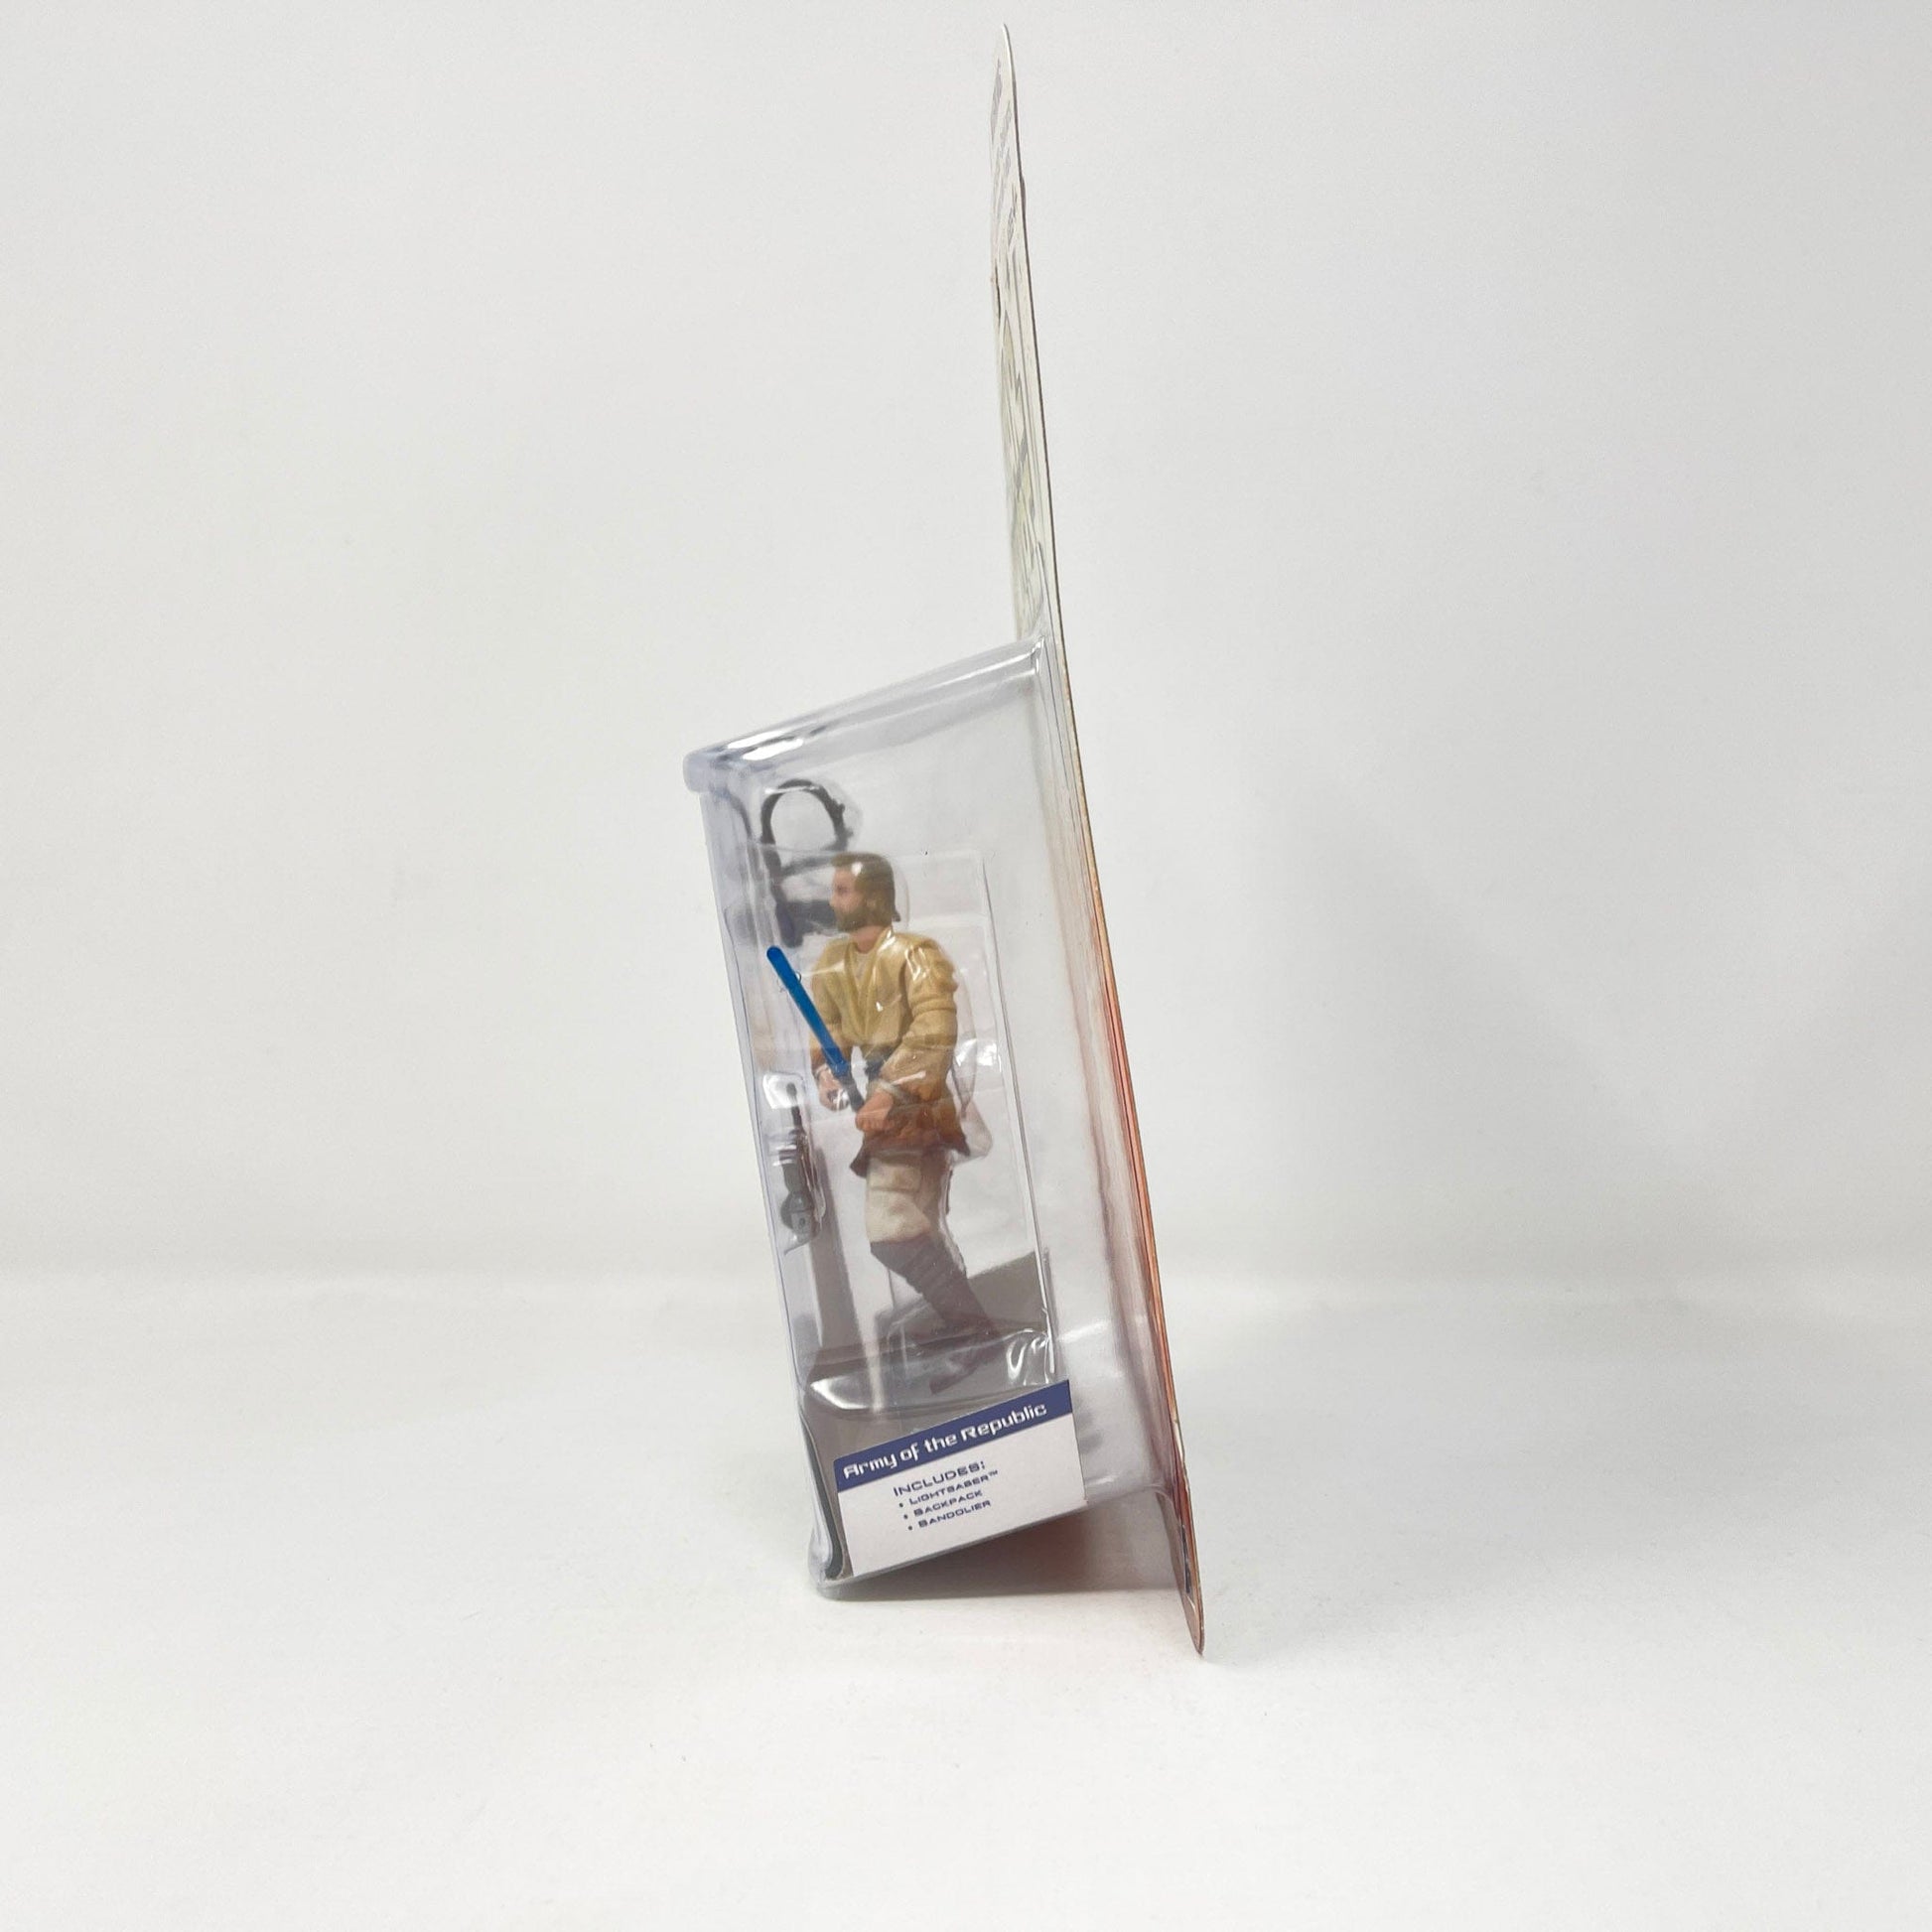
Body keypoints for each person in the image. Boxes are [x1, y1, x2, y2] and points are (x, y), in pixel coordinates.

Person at [807, 852, 1002, 1382]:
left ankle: (978, 1335)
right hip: (882, 1098)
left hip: (920, 1104)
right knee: (923, 1226)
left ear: (873, 896)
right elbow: (829, 1028)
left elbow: (935, 1029)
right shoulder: (833, 962)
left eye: (843, 890)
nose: (833, 900)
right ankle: (968, 1328)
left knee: (892, 1228)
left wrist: (890, 1091)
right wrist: (826, 1073)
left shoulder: (916, 954)